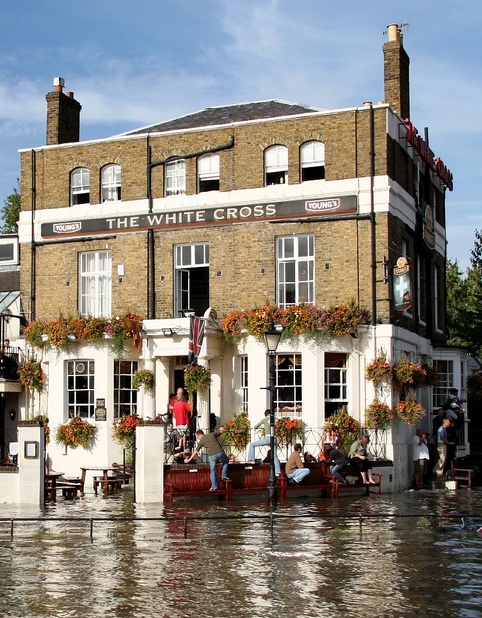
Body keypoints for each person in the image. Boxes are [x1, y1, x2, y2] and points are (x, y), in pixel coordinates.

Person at [246, 409, 281, 476]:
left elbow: (256, 426)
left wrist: (262, 427)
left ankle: (251, 459)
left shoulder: (264, 420)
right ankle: (277, 472)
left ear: (266, 414)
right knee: (275, 455)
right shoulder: (275, 419)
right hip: (274, 438)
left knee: (252, 444)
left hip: (268, 438)